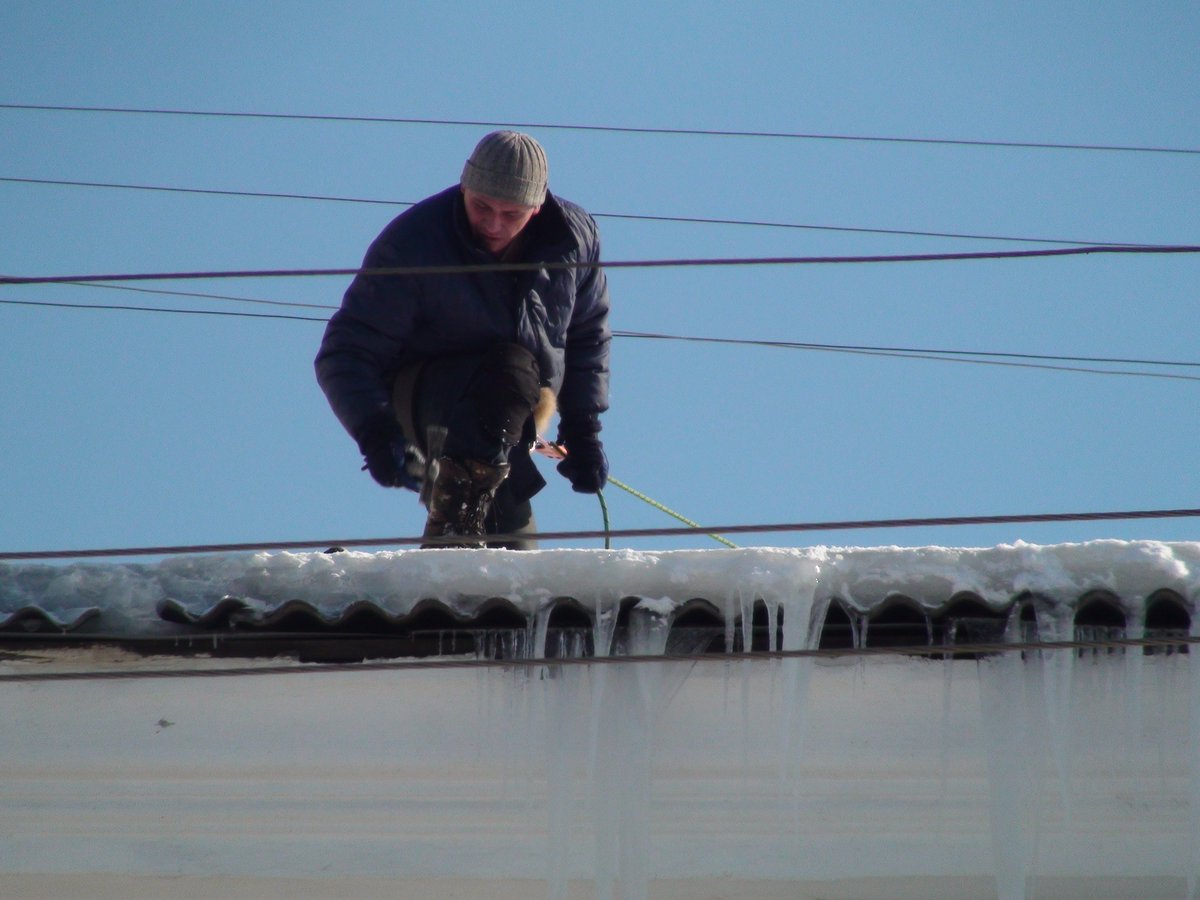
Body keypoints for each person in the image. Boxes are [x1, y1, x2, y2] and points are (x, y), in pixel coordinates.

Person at [315, 131, 610, 549]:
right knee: (508, 372)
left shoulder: (573, 239)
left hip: (513, 411)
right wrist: (374, 430)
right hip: (425, 398)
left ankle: (474, 580)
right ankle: (455, 536)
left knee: (511, 551)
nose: (493, 224)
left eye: (511, 214)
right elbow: (346, 351)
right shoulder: (415, 245)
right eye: (482, 206)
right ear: (463, 187)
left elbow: (587, 334)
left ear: (538, 206)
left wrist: (583, 431)